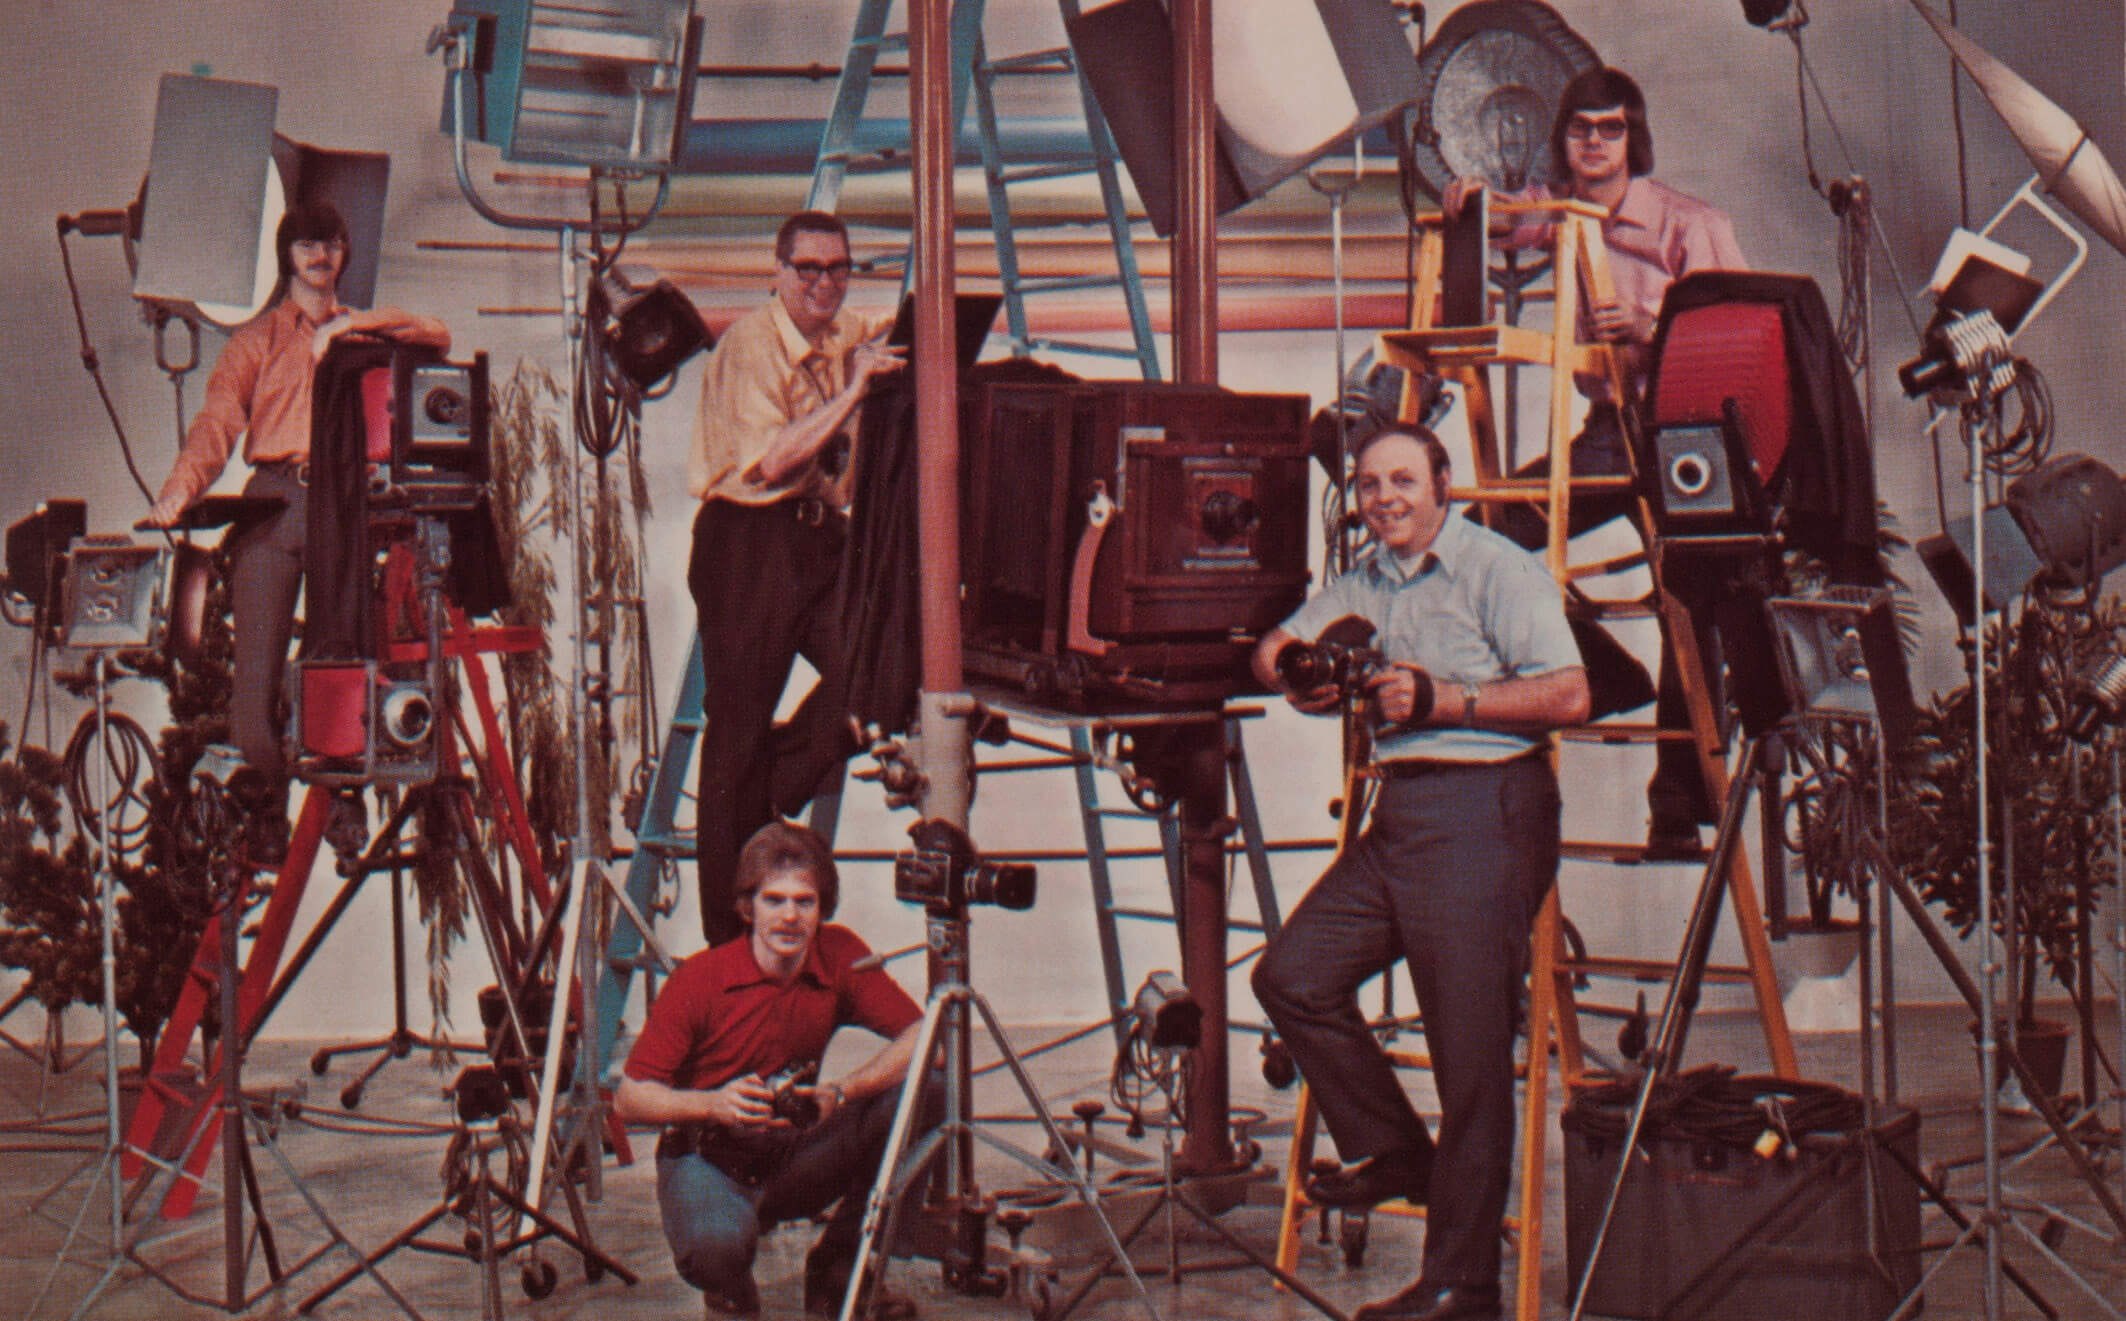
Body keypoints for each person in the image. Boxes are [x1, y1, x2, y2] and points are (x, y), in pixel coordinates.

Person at [1250, 427, 1589, 1321]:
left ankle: (1460, 1287)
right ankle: (1397, 1153)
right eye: (1368, 485)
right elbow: (1276, 641)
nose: (1384, 497)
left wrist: (1447, 698)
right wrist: (1299, 673)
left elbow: (1570, 694)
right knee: (1292, 975)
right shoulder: (1366, 579)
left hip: (1488, 809)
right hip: (1401, 815)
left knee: (1469, 1061)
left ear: (1444, 484)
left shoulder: (1497, 569)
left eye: (1403, 479)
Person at [1444, 66, 1747, 857]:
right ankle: (1602, 671)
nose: (1594, 142)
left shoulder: (1691, 222)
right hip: (1613, 423)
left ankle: (1677, 805)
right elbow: (1507, 225)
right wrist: (1469, 203)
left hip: (1687, 431)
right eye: (1581, 128)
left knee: (1691, 603)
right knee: (1489, 532)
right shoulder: (1564, 210)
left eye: (1610, 129)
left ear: (1632, 136)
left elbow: (1738, 336)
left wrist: (1653, 326)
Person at [146, 199, 449, 861]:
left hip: (346, 504)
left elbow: (438, 333)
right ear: (287, 257)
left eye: (331, 244)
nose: (320, 255)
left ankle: (344, 800)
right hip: (275, 502)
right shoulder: (255, 340)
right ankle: (268, 794)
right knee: (252, 699)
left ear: (343, 254)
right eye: (307, 244)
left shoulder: (367, 331)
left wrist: (353, 327)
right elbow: (217, 425)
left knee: (344, 659)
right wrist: (178, 491)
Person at [688, 210, 904, 946]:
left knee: (883, 662)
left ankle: (768, 792)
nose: (824, 284)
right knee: (735, 739)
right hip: (747, 540)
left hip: (819, 537)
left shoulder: (842, 330)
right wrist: (854, 394)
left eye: (838, 270)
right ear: (778, 273)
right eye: (808, 270)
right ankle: (728, 945)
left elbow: (902, 322)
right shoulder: (753, 345)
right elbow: (774, 464)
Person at [616, 821, 924, 1319]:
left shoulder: (839, 952)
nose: (789, 917)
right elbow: (629, 1097)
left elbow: (926, 1041)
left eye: (805, 902)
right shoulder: (701, 979)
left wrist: (843, 1091)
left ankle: (841, 1268)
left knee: (926, 1089)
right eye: (773, 900)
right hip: (709, 1160)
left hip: (793, 1156)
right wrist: (712, 1104)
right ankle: (729, 1288)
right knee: (715, 1251)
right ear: (746, 906)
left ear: (822, 908)